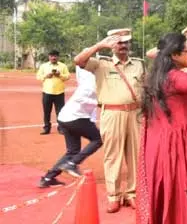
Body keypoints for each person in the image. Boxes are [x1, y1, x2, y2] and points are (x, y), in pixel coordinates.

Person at [136, 33, 187, 224]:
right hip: (177, 145)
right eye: (186, 52)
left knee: (172, 187)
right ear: (174, 55)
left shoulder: (159, 75)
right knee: (183, 184)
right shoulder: (172, 77)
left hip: (166, 143)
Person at [74, 28, 145, 213]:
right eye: (119, 43)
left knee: (135, 155)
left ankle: (132, 193)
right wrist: (100, 45)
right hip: (112, 114)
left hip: (135, 114)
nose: (123, 46)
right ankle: (114, 196)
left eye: (126, 42)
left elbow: (146, 88)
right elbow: (78, 61)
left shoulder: (139, 64)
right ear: (112, 45)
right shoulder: (100, 64)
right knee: (113, 156)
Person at [38, 66, 102, 188]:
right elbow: (82, 98)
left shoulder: (92, 80)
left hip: (67, 118)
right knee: (98, 139)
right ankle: (72, 163)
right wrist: (100, 103)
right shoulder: (91, 82)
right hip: (75, 118)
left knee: (72, 151)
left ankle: (47, 178)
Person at [36, 50, 70, 135]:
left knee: (60, 112)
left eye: (55, 56)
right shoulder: (44, 66)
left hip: (59, 92)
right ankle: (46, 128)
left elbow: (68, 76)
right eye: (52, 56)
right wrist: (46, 76)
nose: (53, 57)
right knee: (47, 111)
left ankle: (61, 128)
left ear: (58, 57)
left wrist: (60, 75)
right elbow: (38, 76)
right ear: (49, 57)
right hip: (47, 92)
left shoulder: (63, 66)